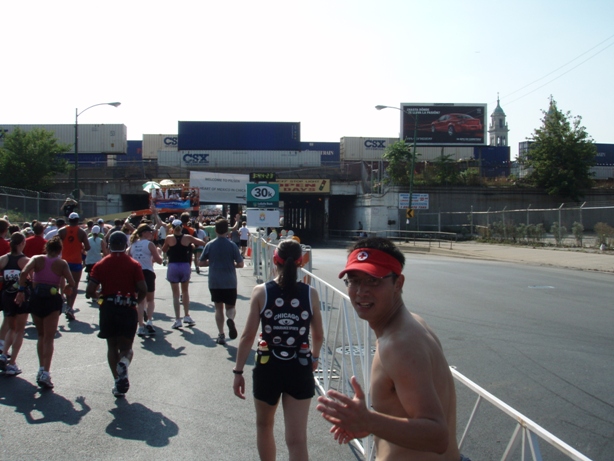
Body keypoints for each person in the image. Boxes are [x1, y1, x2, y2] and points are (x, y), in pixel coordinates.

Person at [316, 237, 465, 461]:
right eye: (354, 280)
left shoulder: (399, 345)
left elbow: (437, 436)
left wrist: (368, 420)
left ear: (398, 283)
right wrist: (375, 424)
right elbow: (409, 413)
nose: (361, 291)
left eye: (373, 281)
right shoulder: (413, 324)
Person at [233, 239, 323, 461]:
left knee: (264, 425)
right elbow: (318, 335)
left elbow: (247, 337)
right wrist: (315, 356)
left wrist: (238, 371)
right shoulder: (310, 294)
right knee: (297, 439)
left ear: (275, 261)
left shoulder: (261, 291)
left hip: (268, 365)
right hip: (300, 366)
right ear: (301, 263)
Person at [86, 231, 147, 397]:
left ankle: (117, 381)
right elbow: (143, 289)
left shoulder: (101, 264)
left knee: (112, 346)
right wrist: (135, 301)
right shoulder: (134, 264)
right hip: (128, 307)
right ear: (125, 244)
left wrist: (100, 299)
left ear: (109, 244)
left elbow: (90, 290)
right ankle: (124, 363)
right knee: (127, 348)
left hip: (108, 308)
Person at [14, 236, 76, 389]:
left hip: (36, 298)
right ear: (59, 250)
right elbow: (72, 283)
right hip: (51, 299)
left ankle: (41, 368)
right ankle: (45, 374)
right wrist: (66, 289)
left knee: (41, 336)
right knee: (49, 338)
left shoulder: (36, 258)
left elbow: (23, 273)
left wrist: (21, 291)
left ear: (46, 248)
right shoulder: (62, 263)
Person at [199, 218, 244, 345]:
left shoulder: (210, 245)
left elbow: (201, 263)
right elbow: (240, 264)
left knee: (218, 308)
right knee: (230, 307)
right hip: (229, 281)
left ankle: (221, 334)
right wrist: (231, 264)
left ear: (215, 230)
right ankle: (230, 319)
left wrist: (211, 262)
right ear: (227, 230)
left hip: (215, 281)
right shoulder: (232, 245)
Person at [162, 219, 206, 329]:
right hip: (185, 265)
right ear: (182, 227)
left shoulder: (169, 238)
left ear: (172, 228)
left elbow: (164, 249)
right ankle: (187, 315)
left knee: (175, 295)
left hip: (173, 266)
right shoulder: (187, 237)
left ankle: (177, 319)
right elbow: (202, 243)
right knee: (185, 292)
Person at [0, 233, 30, 376]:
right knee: (19, 330)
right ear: (22, 243)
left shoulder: (3, 259)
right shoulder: (26, 261)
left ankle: (4, 354)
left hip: (7, 295)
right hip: (21, 296)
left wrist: (6, 278)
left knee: (11, 328)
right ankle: (12, 364)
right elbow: (32, 279)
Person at [128, 224, 163, 336]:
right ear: (143, 233)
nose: (151, 233)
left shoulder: (132, 245)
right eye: (149, 231)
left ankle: (141, 326)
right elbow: (159, 261)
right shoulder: (149, 244)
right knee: (150, 299)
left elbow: (128, 258)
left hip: (136, 273)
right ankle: (149, 321)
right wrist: (160, 253)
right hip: (147, 272)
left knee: (140, 300)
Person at [58, 212, 90, 320]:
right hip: (76, 262)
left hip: (64, 262)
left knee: (67, 283)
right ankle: (70, 307)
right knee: (74, 285)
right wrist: (80, 247)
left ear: (68, 220)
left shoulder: (61, 231)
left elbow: (56, 244)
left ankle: (67, 305)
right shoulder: (81, 232)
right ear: (77, 220)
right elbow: (88, 247)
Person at [84, 225, 107, 294]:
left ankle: (88, 288)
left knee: (90, 275)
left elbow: (83, 250)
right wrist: (103, 255)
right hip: (98, 261)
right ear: (99, 232)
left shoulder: (88, 240)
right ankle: (94, 292)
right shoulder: (101, 241)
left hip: (89, 260)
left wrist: (87, 254)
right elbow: (105, 252)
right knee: (97, 278)